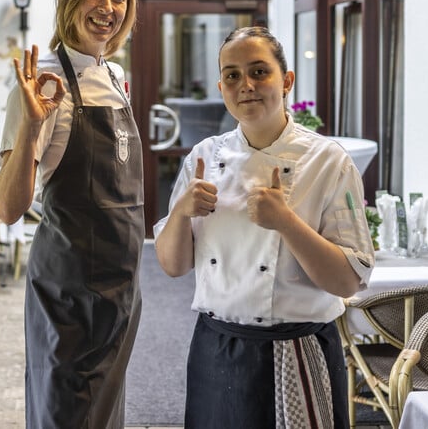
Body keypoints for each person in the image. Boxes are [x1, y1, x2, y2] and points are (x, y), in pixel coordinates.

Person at [153, 26, 375, 429]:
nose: (246, 86)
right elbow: (172, 265)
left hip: (298, 350)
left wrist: (286, 223)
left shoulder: (328, 161)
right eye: (233, 75)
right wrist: (182, 212)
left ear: (286, 81)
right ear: (221, 86)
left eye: (259, 72)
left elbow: (346, 281)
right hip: (215, 347)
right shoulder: (204, 157)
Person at [0, 0, 143, 429]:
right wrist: (32, 126)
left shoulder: (117, 78)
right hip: (69, 293)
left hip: (121, 289)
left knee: (104, 416)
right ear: (68, 1)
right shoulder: (45, 80)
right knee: (66, 413)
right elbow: (8, 208)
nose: (107, 6)